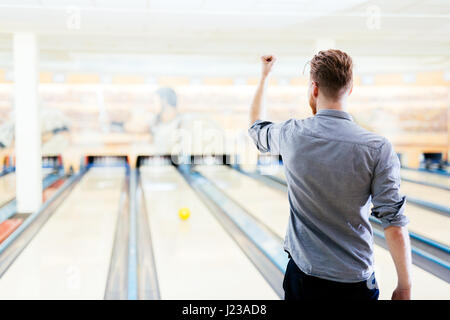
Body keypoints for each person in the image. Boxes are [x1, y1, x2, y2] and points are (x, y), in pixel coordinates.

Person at [248, 50, 412, 300]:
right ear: (351, 88)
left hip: (304, 278)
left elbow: (256, 126)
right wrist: (405, 286)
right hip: (355, 282)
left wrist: (264, 77)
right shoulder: (379, 147)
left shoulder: (292, 135)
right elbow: (394, 224)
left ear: (314, 88)